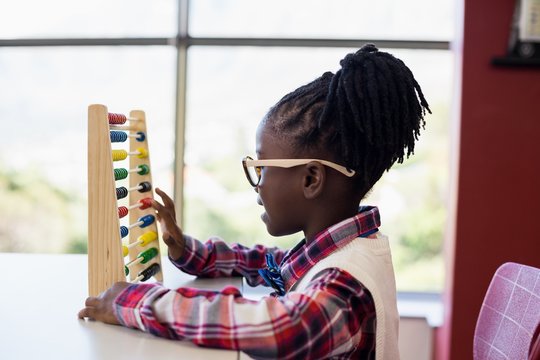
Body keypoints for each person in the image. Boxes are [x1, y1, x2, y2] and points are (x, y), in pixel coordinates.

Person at [79, 44, 430, 360]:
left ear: (311, 179)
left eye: (261, 168)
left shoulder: (347, 284)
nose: (258, 185)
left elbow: (280, 328)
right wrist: (186, 250)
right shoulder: (340, 250)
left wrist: (135, 301)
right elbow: (265, 262)